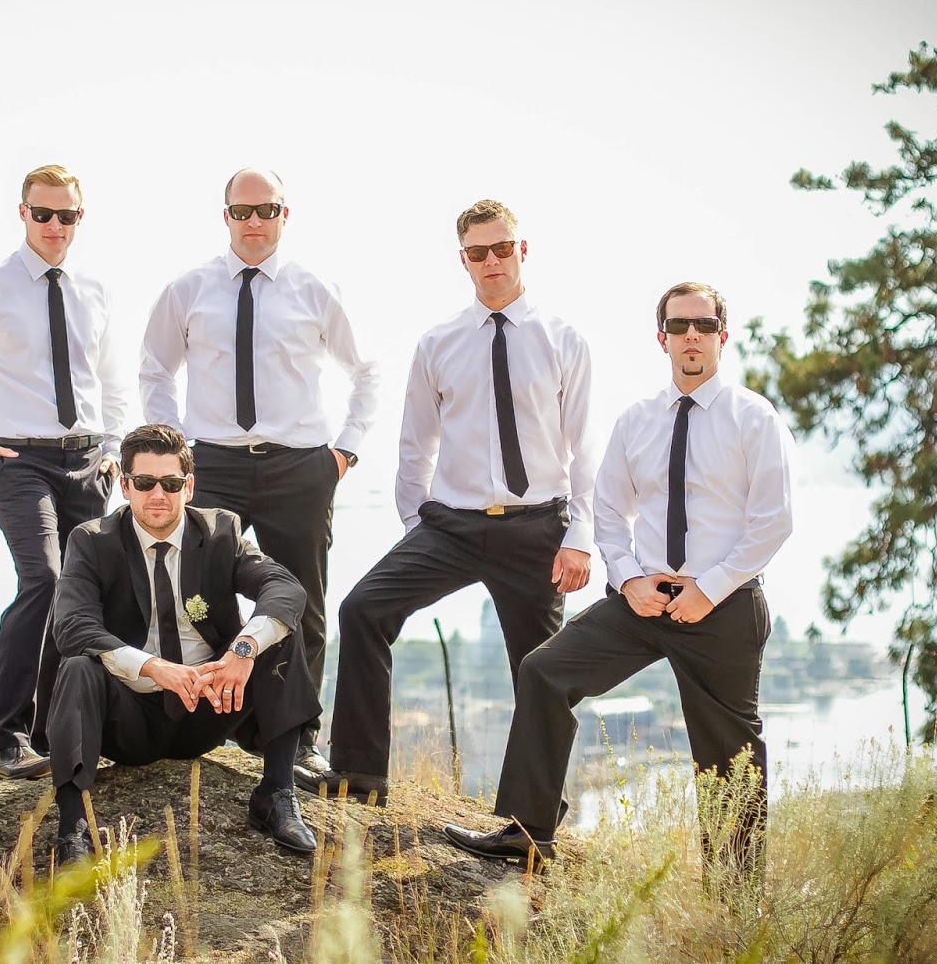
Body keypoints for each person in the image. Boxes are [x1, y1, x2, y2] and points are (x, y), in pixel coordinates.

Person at [444, 281, 794, 871]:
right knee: (544, 672)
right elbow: (608, 509)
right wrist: (629, 579)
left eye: (704, 326)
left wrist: (709, 590)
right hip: (643, 601)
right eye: (679, 326)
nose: (691, 336)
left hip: (723, 607)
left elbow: (774, 520)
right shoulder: (638, 420)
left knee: (729, 756)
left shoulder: (753, 418)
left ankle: (735, 898)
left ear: (722, 337)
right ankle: (528, 833)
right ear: (662, 338)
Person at [299, 199, 596, 805]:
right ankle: (360, 774)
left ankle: (530, 817)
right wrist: (418, 524)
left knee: (539, 670)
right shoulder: (439, 342)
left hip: (538, 530)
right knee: (362, 610)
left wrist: (580, 537)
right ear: (463, 260)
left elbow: (585, 446)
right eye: (477, 252)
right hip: (451, 526)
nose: (492, 261)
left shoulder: (564, 340)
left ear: (522, 250)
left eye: (502, 248)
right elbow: (416, 443)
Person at [139, 167, 379, 778]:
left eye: (266, 210)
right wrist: (175, 452)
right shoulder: (188, 289)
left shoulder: (315, 289)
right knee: (195, 592)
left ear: (283, 215)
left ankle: (299, 736)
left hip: (300, 466)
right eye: (242, 211)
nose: (254, 221)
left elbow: (366, 371)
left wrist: (344, 452)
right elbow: (155, 369)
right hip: (212, 463)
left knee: (303, 600)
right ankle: (204, 718)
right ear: (225, 216)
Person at [0, 164, 128, 779]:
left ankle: (50, 733)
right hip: (17, 460)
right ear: (23, 213)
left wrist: (113, 448)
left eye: (67, 215)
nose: (54, 226)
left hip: (89, 462)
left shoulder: (96, 290)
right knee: (43, 577)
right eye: (43, 214)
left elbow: (113, 381)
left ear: (80, 218)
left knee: (78, 592)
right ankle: (7, 736)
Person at [44, 424, 320, 862]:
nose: (158, 494)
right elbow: (73, 626)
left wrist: (242, 651)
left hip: (208, 704)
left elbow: (285, 588)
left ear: (188, 487)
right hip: (129, 716)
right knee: (78, 666)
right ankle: (72, 828)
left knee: (278, 631)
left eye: (171, 483)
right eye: (145, 482)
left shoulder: (221, 531)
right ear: (125, 487)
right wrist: (155, 668)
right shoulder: (92, 541)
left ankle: (276, 794)